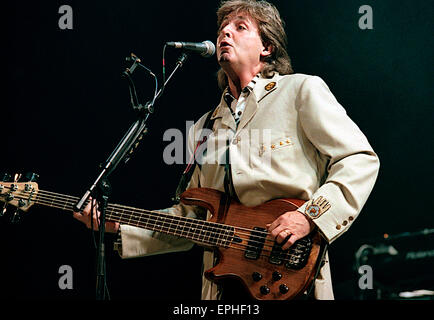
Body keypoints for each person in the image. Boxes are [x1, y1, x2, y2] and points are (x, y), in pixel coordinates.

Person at [73, 0, 380, 300]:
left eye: (239, 27)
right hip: (224, 290)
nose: (224, 33)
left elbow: (358, 159)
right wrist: (119, 224)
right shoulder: (203, 127)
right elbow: (191, 218)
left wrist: (310, 217)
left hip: (290, 277)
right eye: (222, 28)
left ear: (267, 47)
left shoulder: (300, 91)